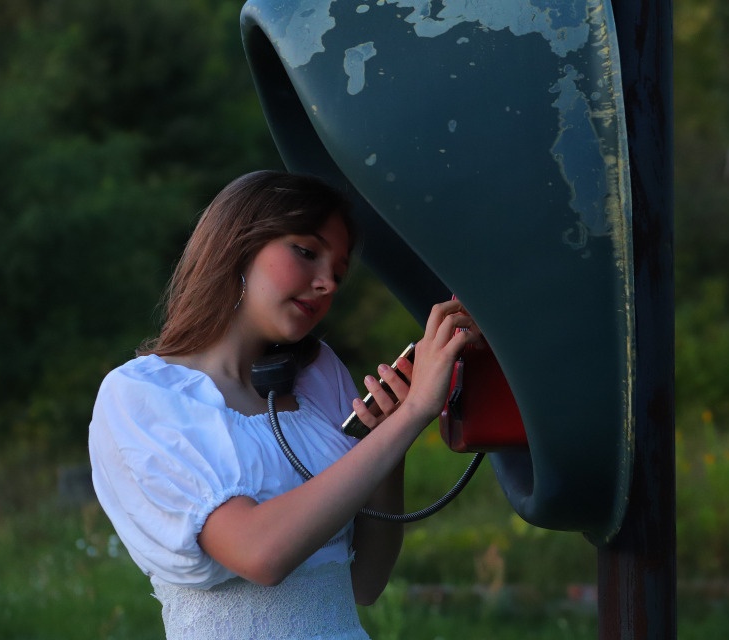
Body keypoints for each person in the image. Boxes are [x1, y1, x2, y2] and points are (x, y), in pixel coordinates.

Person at [88, 170, 478, 639]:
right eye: (307, 252)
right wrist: (415, 412)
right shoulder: (143, 395)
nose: (327, 284)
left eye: (337, 271)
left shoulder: (317, 373)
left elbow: (367, 581)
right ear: (237, 244)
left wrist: (389, 437)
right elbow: (260, 554)